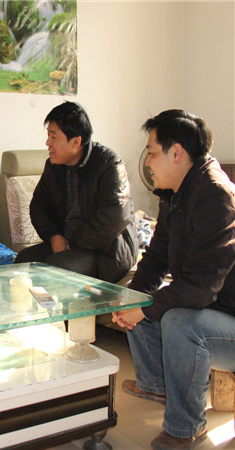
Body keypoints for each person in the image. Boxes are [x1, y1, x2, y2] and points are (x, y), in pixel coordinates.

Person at [112, 110, 235, 450]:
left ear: (176, 152)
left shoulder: (215, 195)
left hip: (227, 314)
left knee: (179, 321)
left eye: (152, 152)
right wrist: (132, 300)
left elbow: (200, 287)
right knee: (138, 297)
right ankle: (158, 385)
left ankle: (186, 427)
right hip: (213, 306)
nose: (148, 162)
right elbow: (155, 258)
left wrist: (145, 310)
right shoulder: (175, 192)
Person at [15, 101, 138, 283]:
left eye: (53, 137)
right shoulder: (54, 166)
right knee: (23, 261)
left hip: (106, 251)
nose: (48, 143)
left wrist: (71, 241)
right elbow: (39, 206)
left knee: (56, 268)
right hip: (68, 244)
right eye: (48, 135)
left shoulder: (109, 164)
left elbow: (114, 218)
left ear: (76, 142)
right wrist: (54, 235)